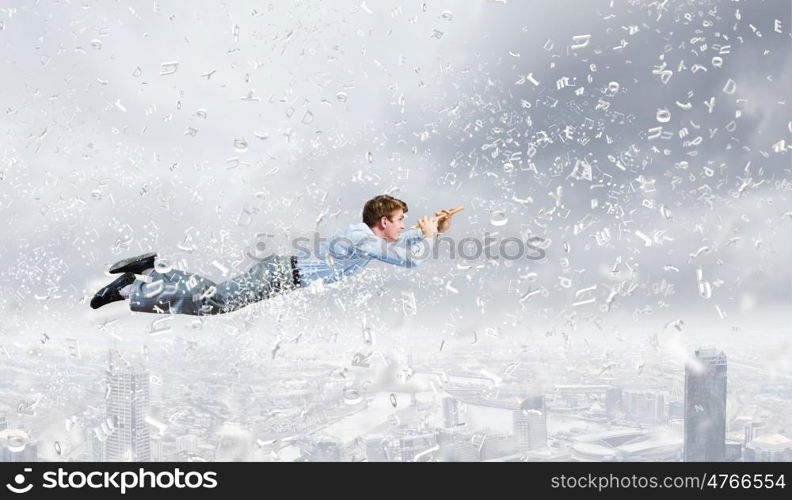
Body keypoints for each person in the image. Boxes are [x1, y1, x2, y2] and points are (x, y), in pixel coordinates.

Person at [90, 195, 458, 315]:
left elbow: (404, 242)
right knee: (217, 302)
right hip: (282, 274)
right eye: (399, 220)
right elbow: (409, 259)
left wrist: (432, 232)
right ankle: (129, 289)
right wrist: (426, 238)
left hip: (283, 275)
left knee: (215, 297)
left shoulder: (367, 237)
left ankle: (151, 274)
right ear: (381, 222)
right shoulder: (362, 240)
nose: (404, 225)